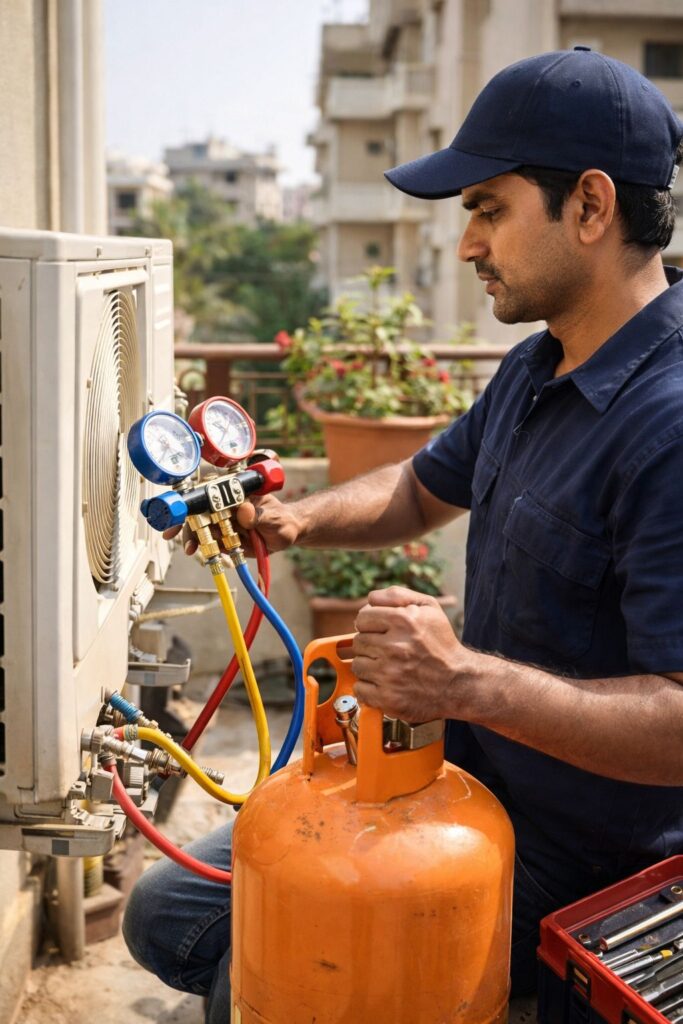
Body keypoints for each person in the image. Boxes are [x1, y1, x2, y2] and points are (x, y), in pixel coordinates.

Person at [124, 48, 683, 1022]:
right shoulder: (534, 367)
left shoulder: (667, 427)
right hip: (449, 773)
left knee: (266, 967)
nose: (466, 243)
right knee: (169, 910)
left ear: (589, 207)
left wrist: (463, 681)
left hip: (572, 856)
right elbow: (420, 488)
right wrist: (296, 517)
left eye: (487, 208)